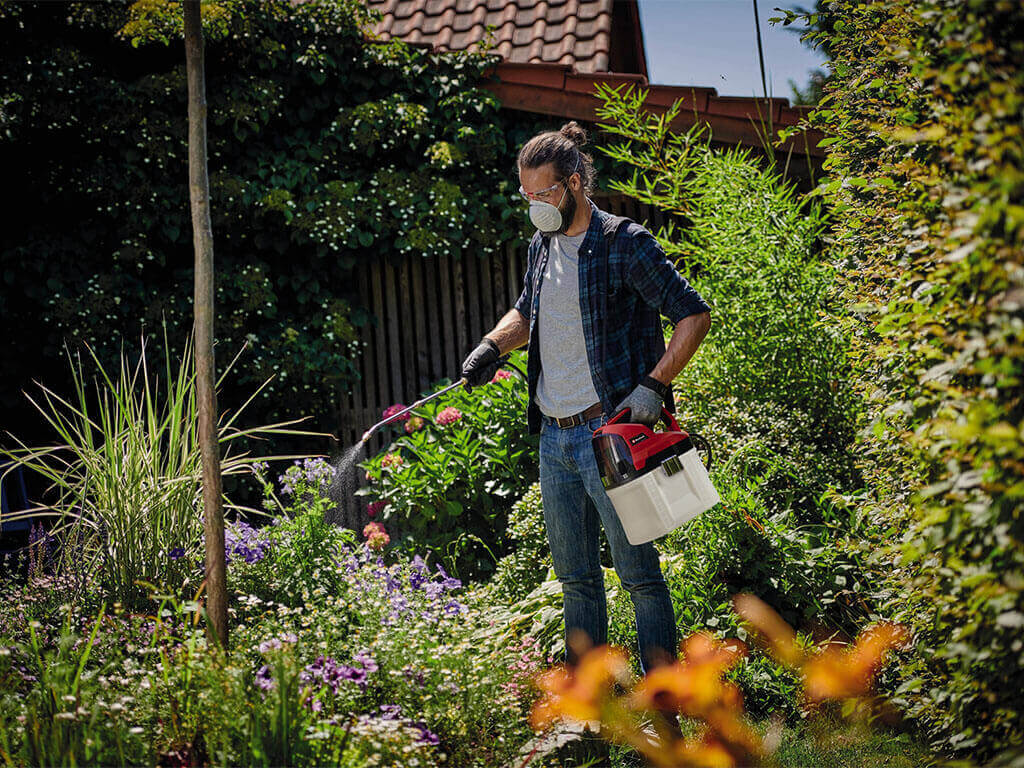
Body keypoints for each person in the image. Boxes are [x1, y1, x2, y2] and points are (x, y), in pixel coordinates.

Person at [461, 120, 711, 683]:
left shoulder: (625, 243)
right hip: (555, 436)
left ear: (574, 183)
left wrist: (654, 385)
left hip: (612, 438)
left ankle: (664, 704)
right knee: (575, 579)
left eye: (544, 193)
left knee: (640, 576)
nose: (535, 206)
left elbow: (693, 315)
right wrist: (492, 346)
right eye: (527, 196)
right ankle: (590, 708)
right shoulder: (541, 244)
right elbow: (529, 311)